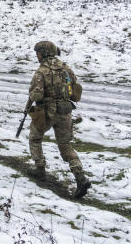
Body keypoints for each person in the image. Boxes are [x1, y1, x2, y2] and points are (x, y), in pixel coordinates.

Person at [26, 41, 91, 198]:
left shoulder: (41, 72)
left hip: (47, 113)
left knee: (35, 138)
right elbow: (74, 90)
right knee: (65, 146)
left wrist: (31, 99)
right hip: (65, 111)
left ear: (43, 53)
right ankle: (80, 177)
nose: (36, 55)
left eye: (38, 52)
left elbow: (37, 95)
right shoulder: (66, 68)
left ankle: (40, 168)